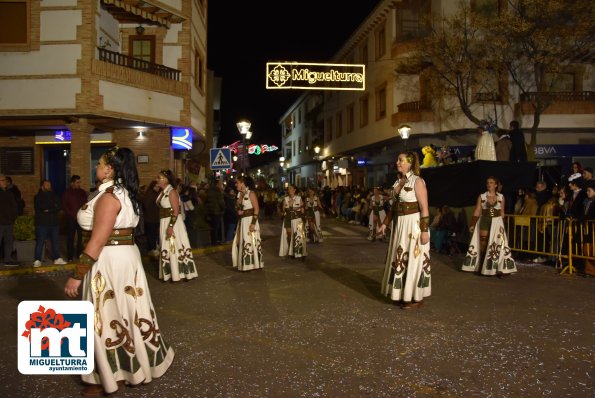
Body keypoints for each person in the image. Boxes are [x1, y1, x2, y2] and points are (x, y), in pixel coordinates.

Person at [64, 146, 174, 397]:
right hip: (126, 257)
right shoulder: (124, 193)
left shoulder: (109, 197)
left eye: (100, 164)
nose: (96, 167)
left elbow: (97, 240)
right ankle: (127, 366)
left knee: (106, 314)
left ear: (110, 169)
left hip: (109, 259)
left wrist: (77, 274)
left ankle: (111, 375)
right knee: (127, 311)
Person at [379, 151, 431, 309]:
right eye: (397, 160)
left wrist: (424, 231)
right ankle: (402, 294)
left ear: (409, 162)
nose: (397, 162)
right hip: (400, 225)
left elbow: (424, 208)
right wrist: (385, 223)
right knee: (400, 258)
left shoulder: (418, 181)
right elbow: (394, 207)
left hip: (413, 225)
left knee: (414, 259)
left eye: (400, 160)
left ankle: (415, 298)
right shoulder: (397, 183)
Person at [462, 176, 517, 277]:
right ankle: (483, 267)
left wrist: (502, 225)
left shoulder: (501, 197)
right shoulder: (482, 197)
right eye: (487, 182)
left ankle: (499, 268)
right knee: (484, 243)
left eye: (491, 182)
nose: (489, 184)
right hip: (484, 220)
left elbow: (502, 212)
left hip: (497, 222)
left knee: (499, 244)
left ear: (496, 185)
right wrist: (472, 224)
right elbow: (477, 210)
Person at [156, 169, 197, 282]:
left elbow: (176, 210)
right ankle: (170, 273)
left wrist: (170, 226)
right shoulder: (163, 192)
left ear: (166, 180)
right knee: (167, 247)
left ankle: (182, 272)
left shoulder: (172, 192)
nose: (157, 180)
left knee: (176, 246)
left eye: (159, 178)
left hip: (172, 223)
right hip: (164, 221)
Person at [231, 176, 263, 271]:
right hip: (242, 221)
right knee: (241, 241)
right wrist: (238, 210)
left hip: (250, 221)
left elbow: (256, 209)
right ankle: (245, 263)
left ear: (243, 183)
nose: (236, 184)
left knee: (251, 241)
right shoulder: (239, 194)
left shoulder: (251, 193)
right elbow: (238, 208)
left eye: (237, 182)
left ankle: (254, 264)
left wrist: (253, 223)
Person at [33, 179, 67, 267]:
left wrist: (49, 210)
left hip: (54, 223)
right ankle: (37, 259)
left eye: (49, 184)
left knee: (55, 241)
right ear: (42, 186)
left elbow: (59, 206)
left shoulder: (55, 195)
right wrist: (53, 208)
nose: (49, 186)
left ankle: (57, 258)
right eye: (46, 185)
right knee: (40, 241)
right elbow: (41, 207)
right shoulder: (38, 197)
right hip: (42, 223)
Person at [62, 175, 88, 262]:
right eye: (77, 182)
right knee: (70, 237)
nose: (79, 184)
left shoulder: (82, 192)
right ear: (72, 183)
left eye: (79, 182)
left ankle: (78, 254)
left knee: (81, 238)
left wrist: (84, 209)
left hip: (81, 219)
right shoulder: (67, 193)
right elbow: (65, 206)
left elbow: (86, 203)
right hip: (71, 219)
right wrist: (71, 215)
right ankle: (70, 257)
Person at [279, 184, 307, 259]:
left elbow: (302, 210)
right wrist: (286, 209)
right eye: (288, 189)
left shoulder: (299, 198)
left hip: (297, 219)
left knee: (299, 235)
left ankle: (300, 252)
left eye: (291, 189)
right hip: (288, 218)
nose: (289, 190)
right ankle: (291, 251)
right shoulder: (285, 198)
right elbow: (283, 209)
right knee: (289, 235)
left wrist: (304, 217)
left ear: (295, 190)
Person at [0, 174, 19, 266]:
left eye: (5, 180)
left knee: (9, 241)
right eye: (3, 180)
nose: (5, 182)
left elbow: (14, 206)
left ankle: (8, 259)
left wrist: (13, 216)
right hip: (0, 222)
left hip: (9, 222)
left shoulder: (9, 192)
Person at [140, 180, 161, 257]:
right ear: (152, 186)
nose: (157, 188)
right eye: (156, 186)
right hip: (150, 218)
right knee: (151, 234)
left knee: (154, 234)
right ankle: (152, 248)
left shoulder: (156, 194)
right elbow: (147, 207)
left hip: (155, 218)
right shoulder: (149, 194)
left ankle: (153, 247)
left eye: (158, 186)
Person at [205, 178, 225, 245]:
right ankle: (215, 242)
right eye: (220, 183)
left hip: (211, 211)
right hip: (217, 211)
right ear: (217, 184)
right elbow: (221, 202)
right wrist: (223, 208)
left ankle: (213, 241)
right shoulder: (218, 191)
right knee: (216, 227)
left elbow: (207, 201)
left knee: (213, 228)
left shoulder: (209, 190)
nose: (221, 185)